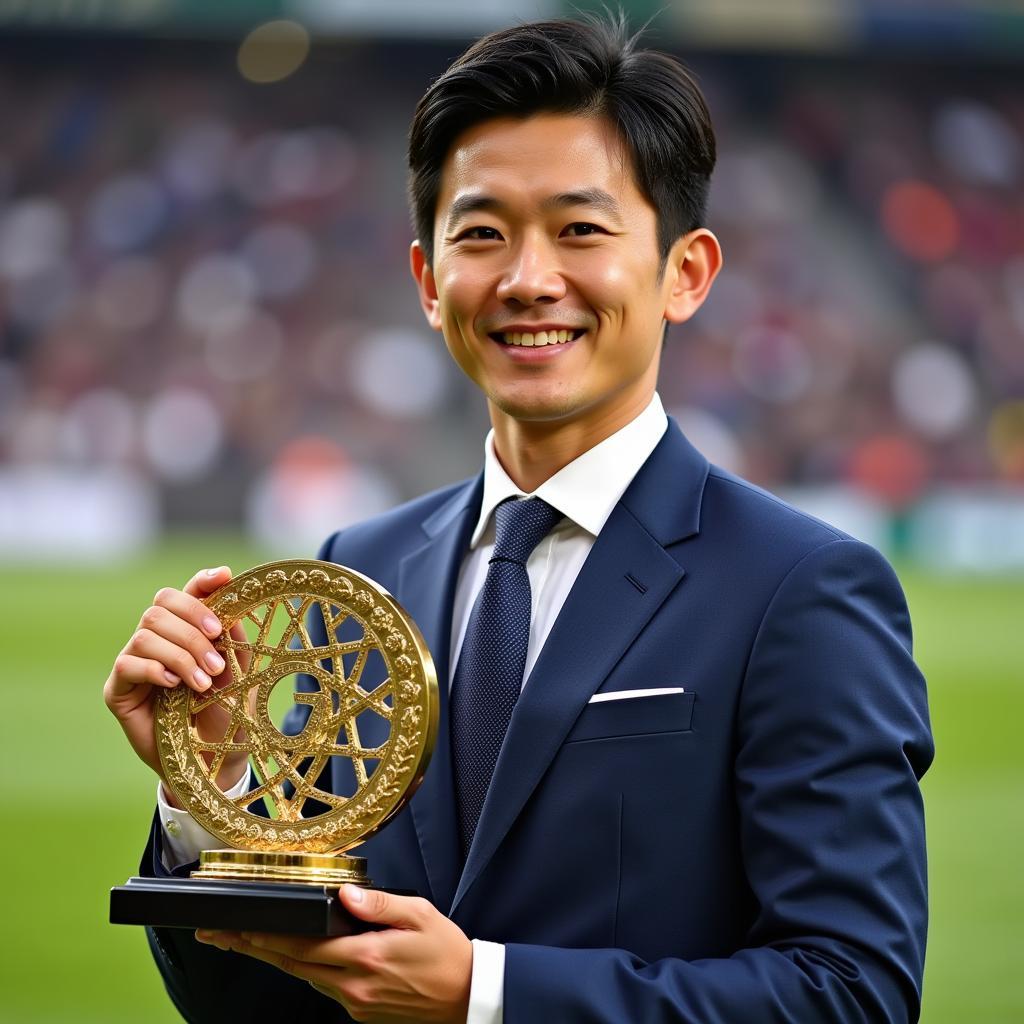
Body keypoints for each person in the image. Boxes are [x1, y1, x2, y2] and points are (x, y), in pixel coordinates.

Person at [104, 15, 933, 1024]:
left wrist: (482, 993)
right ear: (426, 281)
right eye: (482, 232)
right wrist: (212, 785)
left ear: (687, 273)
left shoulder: (798, 590)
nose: (527, 277)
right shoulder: (357, 571)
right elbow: (261, 1002)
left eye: (580, 229)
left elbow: (853, 995)